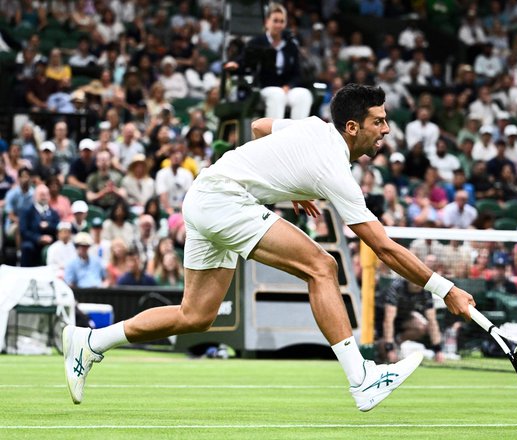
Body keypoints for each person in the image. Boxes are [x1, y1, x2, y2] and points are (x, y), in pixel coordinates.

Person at [63, 83, 475, 411]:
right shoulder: (335, 169)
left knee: (196, 315)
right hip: (224, 200)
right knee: (322, 265)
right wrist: (445, 289)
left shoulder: (313, 126)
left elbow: (261, 126)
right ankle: (361, 379)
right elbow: (382, 248)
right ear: (353, 127)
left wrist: (290, 183)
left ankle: (91, 342)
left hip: (203, 194)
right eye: (379, 122)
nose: (386, 130)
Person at [245, 2, 313, 119]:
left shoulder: (291, 45)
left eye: (282, 21)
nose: (278, 25)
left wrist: (289, 85)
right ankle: (274, 135)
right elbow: (247, 64)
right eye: (275, 21)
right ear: (267, 22)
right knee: (277, 94)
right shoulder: (257, 42)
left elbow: (297, 73)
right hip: (264, 89)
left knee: (304, 95)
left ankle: (296, 134)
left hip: (286, 89)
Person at [381, 257, 445, 364]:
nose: (417, 284)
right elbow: (388, 320)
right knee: (384, 354)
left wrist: (438, 350)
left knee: (422, 327)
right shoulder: (397, 287)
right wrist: (389, 348)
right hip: (381, 322)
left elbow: (432, 320)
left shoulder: (425, 291)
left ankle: (398, 341)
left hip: (405, 319)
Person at [19, 184, 61, 267]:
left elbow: (58, 227)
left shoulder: (54, 213)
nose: (44, 197)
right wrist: (38, 238)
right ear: (35, 196)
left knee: (58, 247)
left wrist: (48, 226)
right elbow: (23, 231)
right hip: (32, 242)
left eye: (46, 194)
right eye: (41, 194)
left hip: (50, 241)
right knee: (27, 247)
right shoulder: (27, 211)